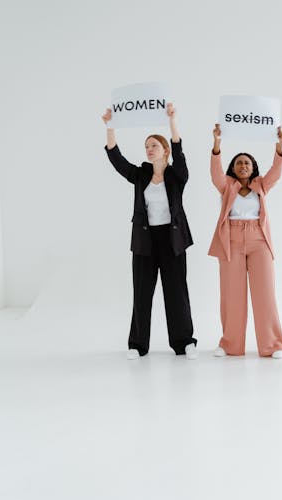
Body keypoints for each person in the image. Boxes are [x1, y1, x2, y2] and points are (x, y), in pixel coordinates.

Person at [101, 103, 198, 360]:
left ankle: (184, 342)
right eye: (146, 146)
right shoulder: (141, 174)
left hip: (172, 240)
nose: (149, 149)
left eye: (154, 145)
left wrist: (173, 122)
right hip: (145, 240)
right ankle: (137, 345)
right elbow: (116, 159)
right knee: (142, 292)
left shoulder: (177, 175)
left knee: (176, 291)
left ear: (164, 150)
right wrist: (110, 126)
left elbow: (180, 151)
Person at [208, 123, 282, 358]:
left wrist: (279, 145)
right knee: (232, 294)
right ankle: (230, 344)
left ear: (253, 168)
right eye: (239, 163)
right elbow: (215, 173)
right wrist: (217, 144)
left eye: (247, 163)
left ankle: (273, 345)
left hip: (258, 240)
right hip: (230, 240)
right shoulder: (227, 186)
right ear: (233, 168)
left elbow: (276, 171)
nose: (243, 166)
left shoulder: (261, 185)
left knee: (265, 293)